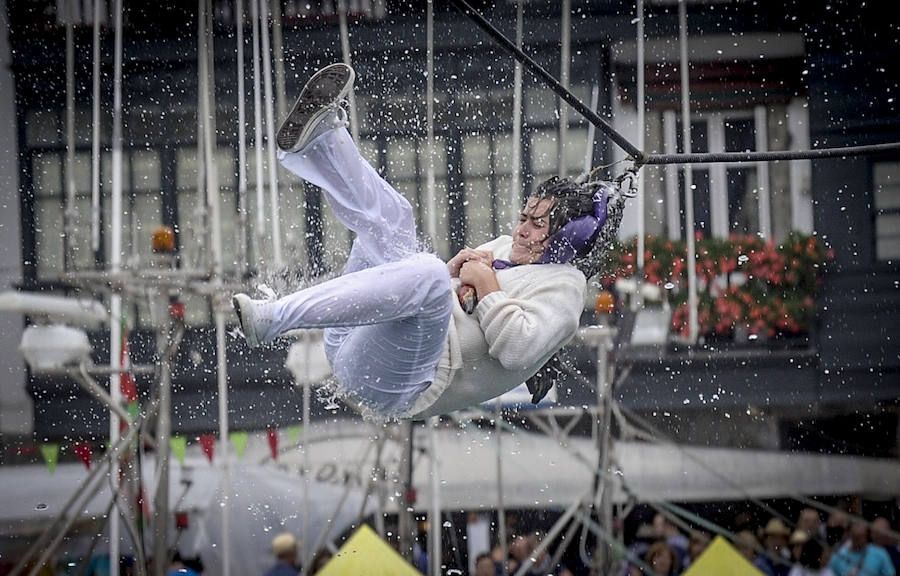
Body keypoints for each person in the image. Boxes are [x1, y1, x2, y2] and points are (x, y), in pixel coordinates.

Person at [232, 63, 624, 421]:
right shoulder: (506, 247)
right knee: (395, 219)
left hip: (402, 386)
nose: (521, 230)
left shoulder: (565, 286)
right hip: (356, 342)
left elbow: (517, 348)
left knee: (429, 273)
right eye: (523, 217)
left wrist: (481, 283)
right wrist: (458, 271)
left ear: (566, 241)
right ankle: (323, 142)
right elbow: (445, 298)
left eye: (538, 224)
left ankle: (273, 319)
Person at [829, 520, 895, 576]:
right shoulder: (838, 557)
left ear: (867, 535)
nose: (859, 540)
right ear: (850, 535)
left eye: (861, 536)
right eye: (856, 537)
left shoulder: (880, 553)